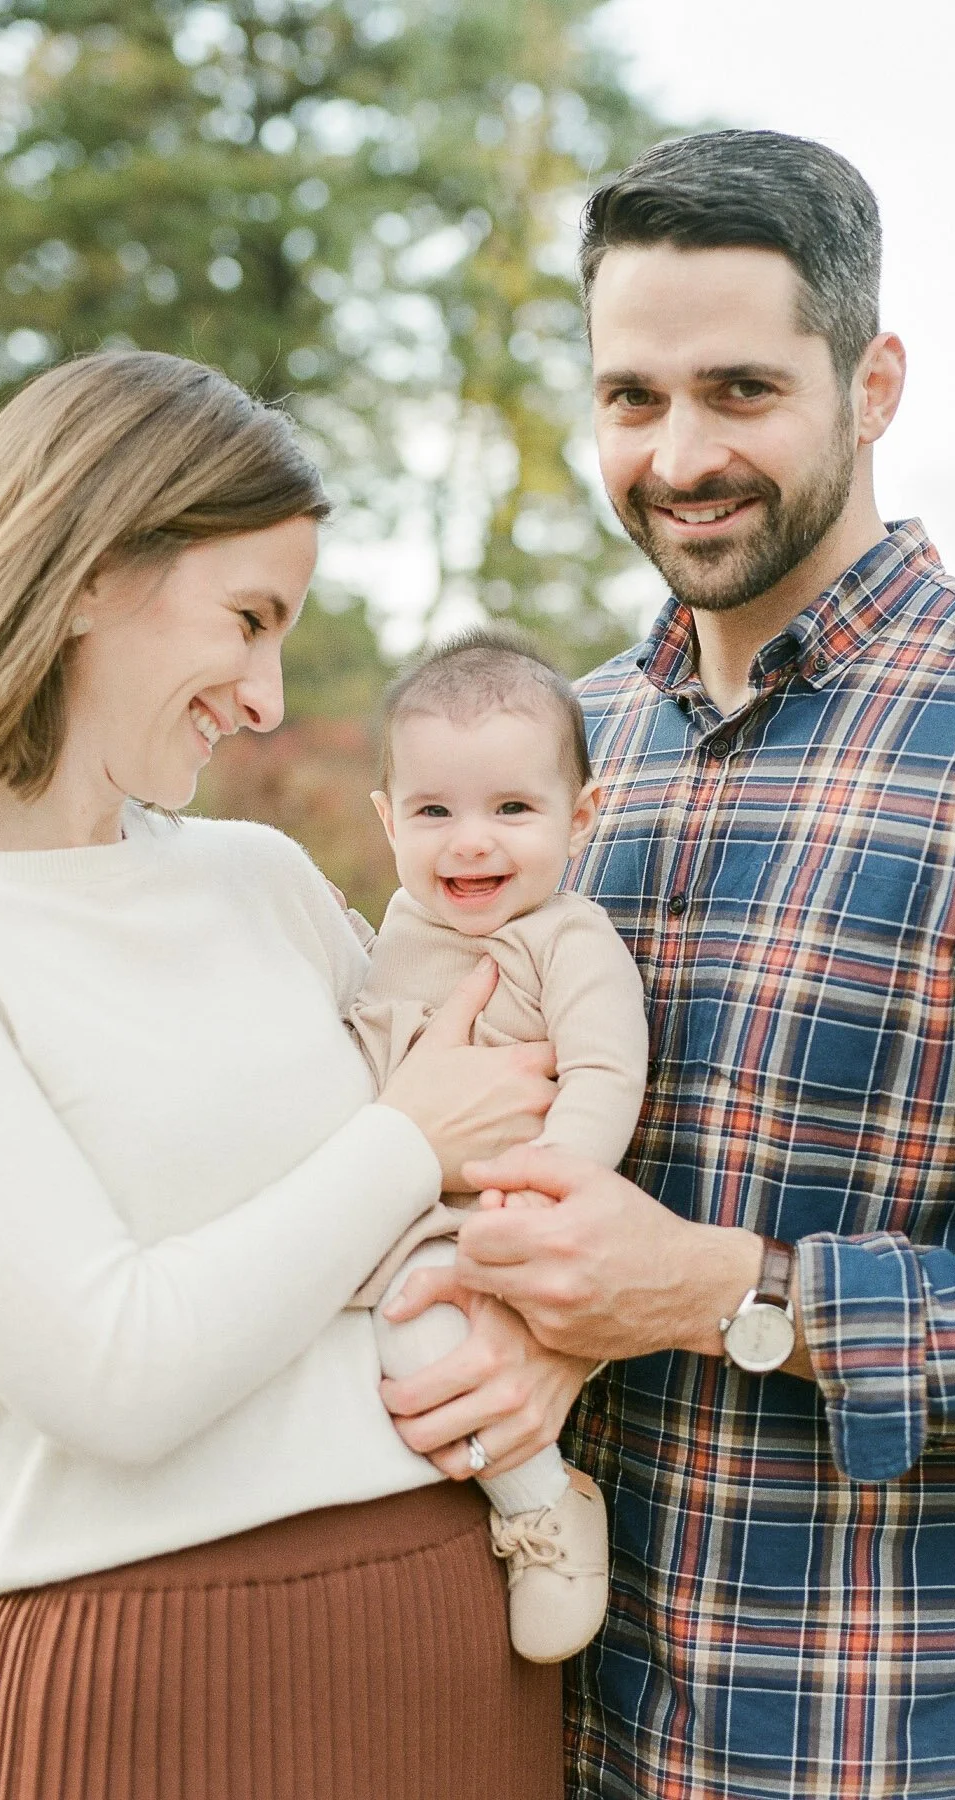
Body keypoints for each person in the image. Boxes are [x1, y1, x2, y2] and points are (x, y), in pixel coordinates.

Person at [381, 132, 955, 1799]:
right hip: (526, 1722)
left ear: (871, 383)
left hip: (862, 1746)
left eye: (740, 388)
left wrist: (732, 1298)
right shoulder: (561, 747)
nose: (678, 454)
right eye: (630, 397)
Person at [0, 348, 579, 1800]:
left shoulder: (264, 879)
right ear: (86, 571)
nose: (264, 696)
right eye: (247, 621)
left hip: (458, 1636)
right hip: (147, 1683)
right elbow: (114, 1374)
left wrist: (548, 1343)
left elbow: (484, 1164)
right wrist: (402, 1142)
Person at [343, 628, 648, 1662]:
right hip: (393, 1197)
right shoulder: (394, 929)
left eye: (512, 810)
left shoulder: (568, 938)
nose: (470, 843)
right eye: (434, 812)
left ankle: (544, 1507)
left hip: (501, 1221)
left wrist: (543, 1187)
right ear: (388, 821)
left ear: (581, 815)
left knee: (426, 1325)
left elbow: (607, 1072)